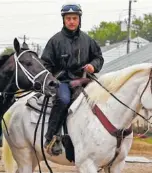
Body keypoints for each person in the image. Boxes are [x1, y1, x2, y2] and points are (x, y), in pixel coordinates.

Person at [41, 3, 104, 155]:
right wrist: (52, 81)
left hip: (83, 80)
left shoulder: (88, 40)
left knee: (98, 100)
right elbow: (45, 64)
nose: (71, 21)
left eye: (74, 18)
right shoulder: (54, 41)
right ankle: (51, 138)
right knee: (63, 100)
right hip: (61, 82)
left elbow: (98, 58)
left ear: (79, 20)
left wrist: (93, 66)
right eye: (68, 18)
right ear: (63, 20)